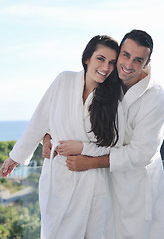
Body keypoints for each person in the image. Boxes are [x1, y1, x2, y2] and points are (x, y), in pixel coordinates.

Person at [42, 30, 164, 239]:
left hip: (135, 186)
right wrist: (47, 134)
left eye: (138, 60)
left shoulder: (155, 97)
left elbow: (141, 153)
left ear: (147, 63)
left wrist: (90, 162)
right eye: (125, 55)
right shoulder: (108, 78)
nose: (129, 64)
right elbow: (74, 113)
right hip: (103, 185)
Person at [1, 35, 125, 239]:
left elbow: (114, 145)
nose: (106, 67)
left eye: (112, 62)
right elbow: (40, 119)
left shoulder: (113, 98)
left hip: (92, 182)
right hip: (57, 176)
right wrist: (16, 156)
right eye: (100, 59)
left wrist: (82, 148)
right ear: (87, 58)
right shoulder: (64, 80)